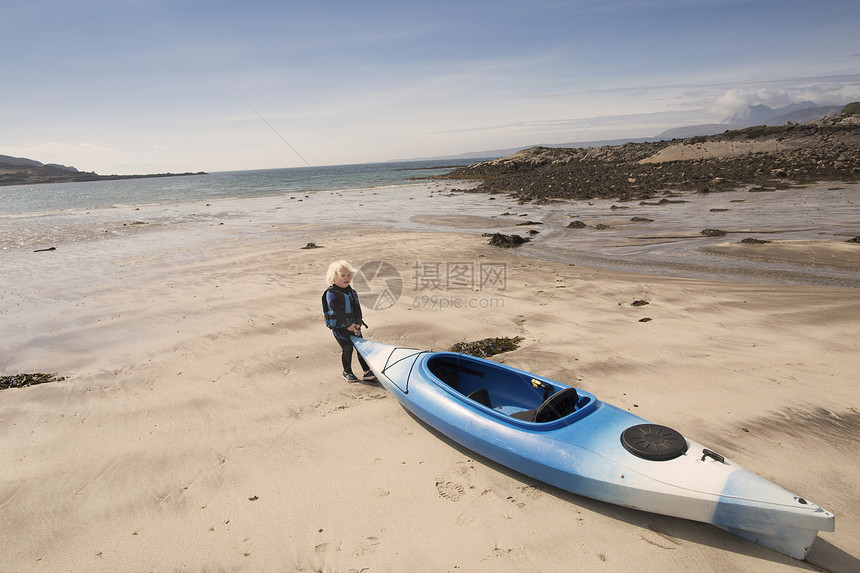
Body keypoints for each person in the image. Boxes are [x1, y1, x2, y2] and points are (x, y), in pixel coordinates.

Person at [323, 260, 376, 382]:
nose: (347, 278)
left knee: (360, 347)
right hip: (340, 327)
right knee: (347, 348)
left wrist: (357, 324)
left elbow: (357, 308)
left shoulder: (352, 292)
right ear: (333, 277)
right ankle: (347, 371)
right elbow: (335, 310)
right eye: (342, 276)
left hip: (354, 326)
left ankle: (367, 371)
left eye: (348, 275)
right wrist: (348, 325)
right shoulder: (331, 293)